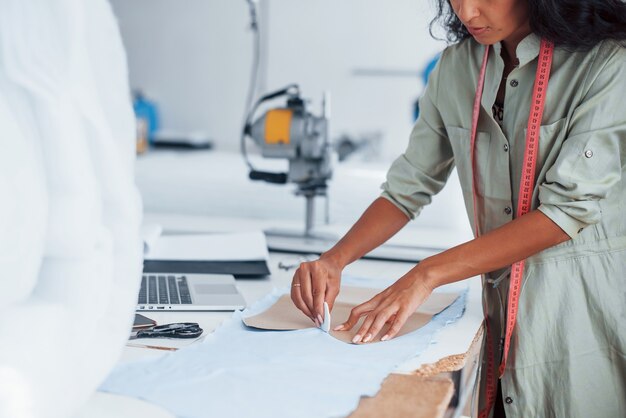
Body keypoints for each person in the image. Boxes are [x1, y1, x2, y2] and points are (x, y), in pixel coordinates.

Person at [290, 0, 626, 417]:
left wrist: (426, 275)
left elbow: (564, 212)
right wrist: (334, 261)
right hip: (497, 322)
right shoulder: (455, 68)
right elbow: (407, 188)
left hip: (579, 319)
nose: (467, 12)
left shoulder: (608, 64)